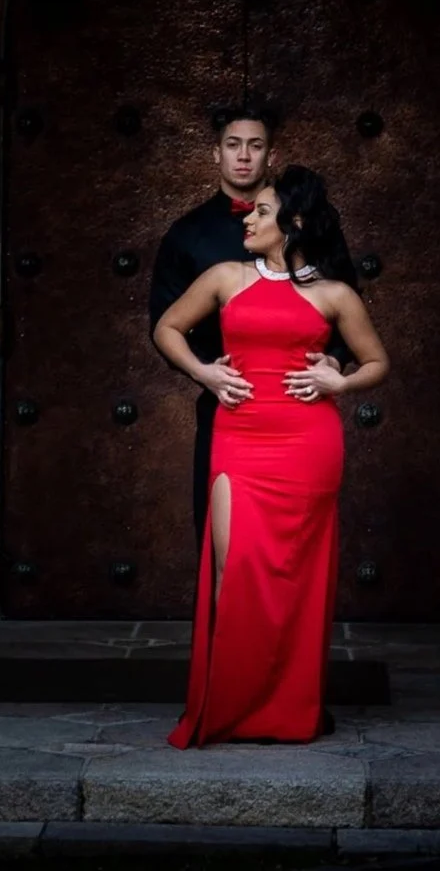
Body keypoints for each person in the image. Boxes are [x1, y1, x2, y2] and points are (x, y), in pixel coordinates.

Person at [154, 165, 392, 747]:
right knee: (235, 574)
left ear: (294, 222)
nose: (249, 218)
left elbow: (377, 363)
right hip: (238, 437)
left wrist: (339, 383)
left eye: (261, 211)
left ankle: (287, 709)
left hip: (307, 443)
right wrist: (206, 373)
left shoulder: (334, 294)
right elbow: (167, 327)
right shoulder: (226, 277)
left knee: (295, 581)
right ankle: (232, 704)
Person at [148, 101, 279, 548]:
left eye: (255, 145)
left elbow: (344, 305)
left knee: (286, 537)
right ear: (216, 154)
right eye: (233, 144)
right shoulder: (187, 234)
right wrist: (206, 373)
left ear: (271, 156)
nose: (244, 155)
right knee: (222, 535)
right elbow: (163, 325)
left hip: (297, 403)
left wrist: (331, 367)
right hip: (227, 402)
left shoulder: (308, 227)